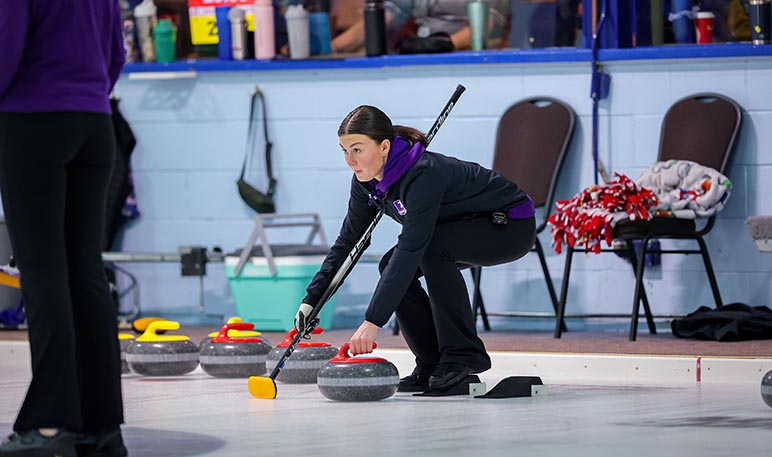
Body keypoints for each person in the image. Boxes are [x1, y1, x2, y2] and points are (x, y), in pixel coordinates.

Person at [295, 105, 536, 393]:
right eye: (344, 150)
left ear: (384, 146)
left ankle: (462, 357)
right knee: (390, 265)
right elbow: (348, 242)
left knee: (429, 250)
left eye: (357, 150)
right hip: (460, 226)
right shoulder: (366, 183)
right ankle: (432, 363)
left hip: (509, 224)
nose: (350, 160)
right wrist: (312, 299)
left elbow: (412, 247)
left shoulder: (423, 175)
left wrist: (373, 321)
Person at [0, 1, 127, 456]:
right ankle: (102, 425)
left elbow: (5, 49)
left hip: (33, 120)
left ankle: (51, 424)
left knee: (43, 271)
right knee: (84, 271)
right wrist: (84, 98)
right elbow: (116, 52)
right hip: (94, 123)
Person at [331, 0, 510, 53]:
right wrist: (332, 48)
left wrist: (441, 45)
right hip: (422, 56)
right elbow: (378, 20)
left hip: (464, 58)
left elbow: (483, 27)